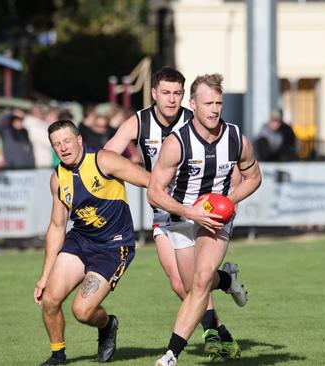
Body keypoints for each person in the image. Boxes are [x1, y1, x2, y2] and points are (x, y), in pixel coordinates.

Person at [104, 66, 240, 361]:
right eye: (165, 93)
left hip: (199, 209)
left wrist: (229, 198)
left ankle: (214, 334)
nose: (171, 99)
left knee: (197, 280)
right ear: (153, 93)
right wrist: (147, 180)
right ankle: (224, 291)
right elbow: (108, 156)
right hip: (165, 210)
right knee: (182, 284)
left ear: (185, 97)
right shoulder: (139, 122)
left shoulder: (197, 118)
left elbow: (232, 152)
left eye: (177, 93)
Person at [149, 73, 262, 366]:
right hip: (182, 218)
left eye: (218, 103)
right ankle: (226, 279)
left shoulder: (237, 138)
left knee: (199, 283)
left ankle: (171, 353)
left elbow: (254, 178)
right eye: (208, 103)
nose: (214, 109)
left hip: (215, 222)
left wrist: (227, 203)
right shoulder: (177, 143)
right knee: (191, 287)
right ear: (193, 104)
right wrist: (189, 212)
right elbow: (154, 193)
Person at [33, 120, 150, 364]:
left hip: (113, 247)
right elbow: (56, 227)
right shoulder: (57, 178)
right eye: (57, 144)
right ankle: (58, 355)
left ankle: (108, 325)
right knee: (50, 299)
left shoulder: (103, 160)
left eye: (67, 141)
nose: (63, 148)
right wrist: (44, 276)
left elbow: (149, 181)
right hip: (80, 241)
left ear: (79, 140)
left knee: (83, 312)